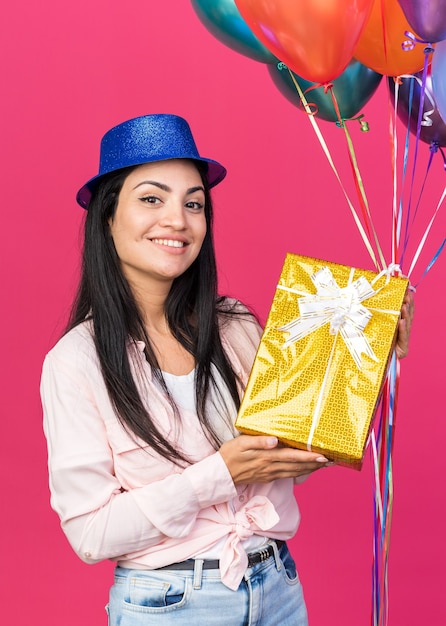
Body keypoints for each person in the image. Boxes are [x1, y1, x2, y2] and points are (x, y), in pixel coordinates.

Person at [41, 113, 414, 625]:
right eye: (152, 199)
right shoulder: (74, 362)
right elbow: (90, 533)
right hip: (172, 605)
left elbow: (290, 451)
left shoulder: (234, 324)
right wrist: (221, 475)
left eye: (193, 203)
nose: (177, 219)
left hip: (277, 586)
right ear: (108, 216)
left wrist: (368, 352)